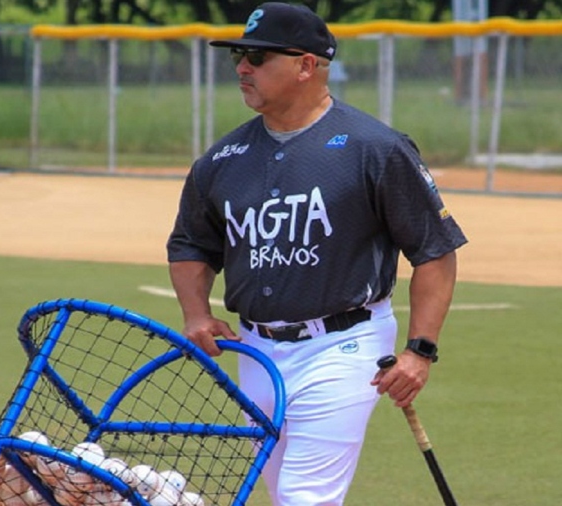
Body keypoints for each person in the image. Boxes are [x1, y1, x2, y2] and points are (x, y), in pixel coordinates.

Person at [166, 3, 468, 505]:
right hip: (255, 352)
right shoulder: (221, 160)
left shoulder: (376, 149)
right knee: (283, 491)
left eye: (259, 58)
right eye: (240, 55)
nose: (243, 67)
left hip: (344, 347)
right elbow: (191, 244)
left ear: (307, 66)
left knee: (305, 497)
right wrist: (195, 313)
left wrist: (420, 350)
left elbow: (434, 251)